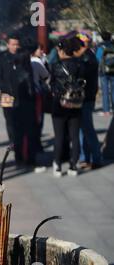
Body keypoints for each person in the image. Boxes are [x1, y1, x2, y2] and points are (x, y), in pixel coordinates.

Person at [50, 37, 86, 177]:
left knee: (59, 136)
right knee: (74, 136)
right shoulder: (79, 65)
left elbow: (52, 84)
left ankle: (58, 165)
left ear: (62, 50)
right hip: (76, 104)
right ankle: (73, 165)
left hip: (59, 105)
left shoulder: (56, 65)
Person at [75, 33, 103, 169]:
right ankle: (84, 157)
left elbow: (81, 73)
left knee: (87, 129)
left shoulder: (88, 58)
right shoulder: (86, 56)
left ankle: (96, 158)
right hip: (84, 97)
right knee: (82, 129)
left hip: (86, 98)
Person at [0, 34, 21, 151]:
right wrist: (4, 87)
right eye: (13, 44)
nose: (15, 47)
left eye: (16, 44)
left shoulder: (22, 58)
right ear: (8, 45)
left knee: (20, 119)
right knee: (9, 120)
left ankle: (20, 141)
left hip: (20, 93)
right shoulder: (2, 59)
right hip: (6, 94)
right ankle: (12, 142)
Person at [96, 31, 114, 116]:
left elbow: (98, 59)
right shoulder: (113, 45)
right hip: (113, 70)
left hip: (103, 71)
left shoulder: (100, 47)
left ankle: (106, 110)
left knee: (105, 91)